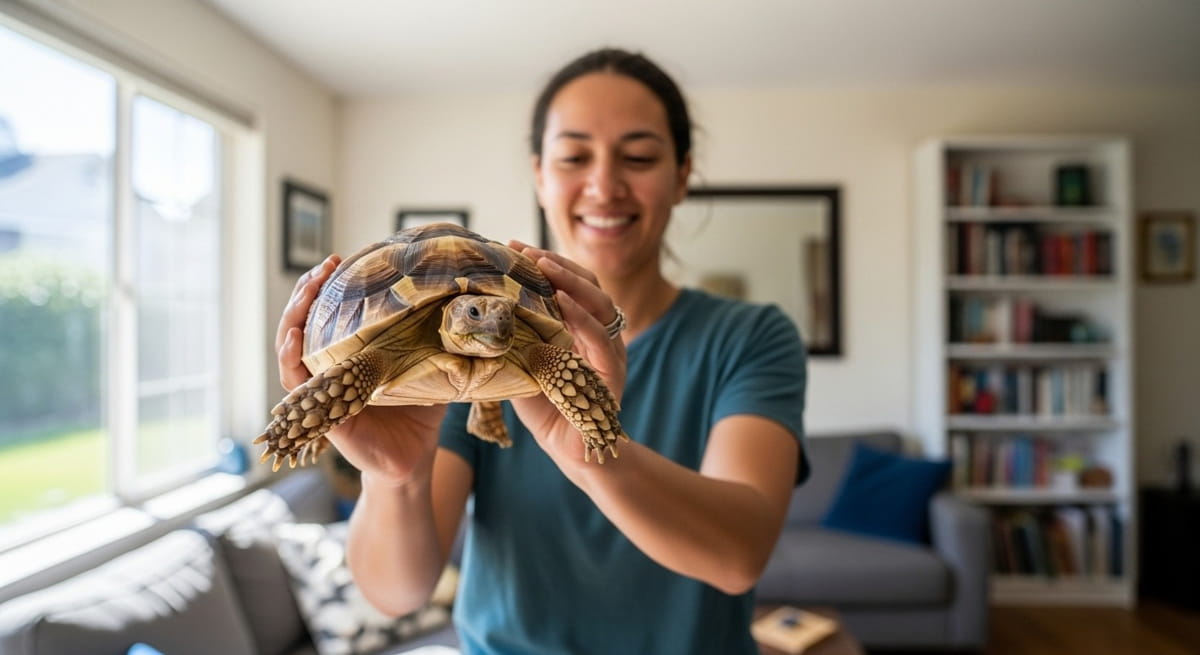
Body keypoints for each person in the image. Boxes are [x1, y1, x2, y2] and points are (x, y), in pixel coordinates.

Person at [276, 47, 808, 655]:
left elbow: (740, 557)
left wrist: (594, 455)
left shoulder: (750, 337)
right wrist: (394, 477)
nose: (604, 185)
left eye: (638, 156)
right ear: (539, 175)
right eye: (574, 156)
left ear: (682, 174)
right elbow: (396, 592)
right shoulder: (455, 339)